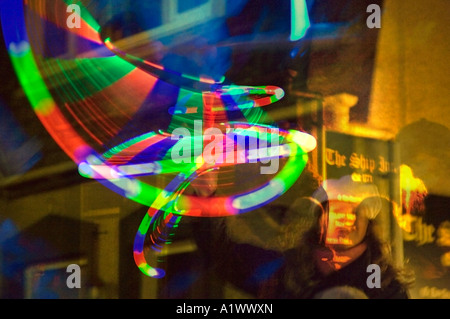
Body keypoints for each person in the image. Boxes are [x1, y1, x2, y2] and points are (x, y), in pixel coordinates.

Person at [281, 175, 415, 299]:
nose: (347, 219)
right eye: (338, 210)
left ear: (368, 225)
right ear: (320, 219)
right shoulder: (286, 270)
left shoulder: (386, 284)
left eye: (357, 212)